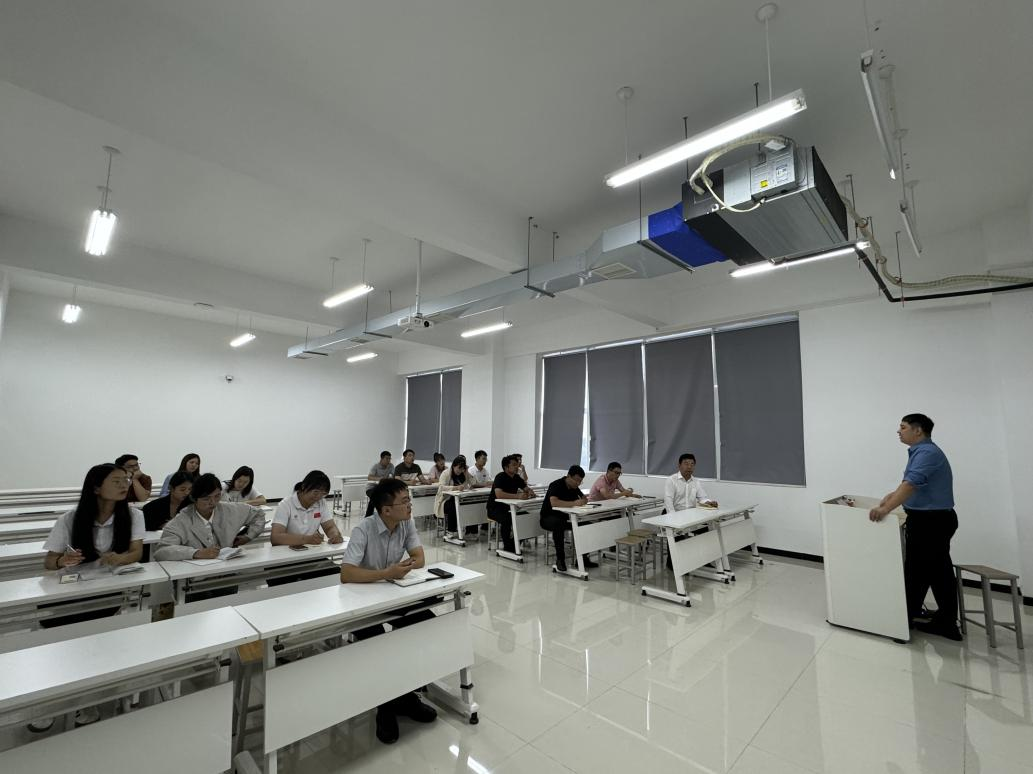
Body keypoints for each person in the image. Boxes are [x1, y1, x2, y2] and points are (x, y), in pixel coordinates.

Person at [35, 462, 146, 730]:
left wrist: (119, 558)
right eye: (117, 481)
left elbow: (136, 553)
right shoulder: (70, 519)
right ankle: (48, 701)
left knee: (95, 647)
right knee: (61, 647)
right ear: (96, 488)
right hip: (70, 592)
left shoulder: (133, 515)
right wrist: (63, 560)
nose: (124, 485)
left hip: (107, 592)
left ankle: (87, 701)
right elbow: (49, 562)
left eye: (126, 480)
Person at [339, 479, 437, 744]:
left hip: (394, 595)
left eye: (409, 500)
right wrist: (386, 573)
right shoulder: (363, 529)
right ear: (386, 510)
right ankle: (387, 706)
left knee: (426, 625)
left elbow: (419, 558)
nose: (410, 506)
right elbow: (346, 574)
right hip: (361, 603)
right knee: (380, 644)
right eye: (404, 502)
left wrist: (402, 569)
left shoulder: (406, 523)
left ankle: (405, 694)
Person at [869, 413, 962, 641]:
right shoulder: (920, 452)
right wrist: (892, 495)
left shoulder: (927, 453)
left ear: (918, 430)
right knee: (928, 571)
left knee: (925, 572)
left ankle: (932, 621)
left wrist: (885, 508)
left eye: (903, 427)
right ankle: (924, 616)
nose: (898, 431)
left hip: (932, 522)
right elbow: (909, 483)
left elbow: (911, 484)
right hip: (930, 521)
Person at [153, 473, 266, 561]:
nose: (213, 502)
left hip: (228, 569)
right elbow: (161, 551)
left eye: (217, 496)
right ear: (194, 498)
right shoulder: (181, 520)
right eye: (206, 498)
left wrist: (248, 536)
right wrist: (196, 553)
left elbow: (258, 514)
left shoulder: (229, 509)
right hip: (197, 577)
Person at [268, 470, 343, 584]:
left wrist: (335, 535)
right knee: (283, 583)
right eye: (316, 492)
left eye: (323, 494)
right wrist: (307, 539)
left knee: (336, 574)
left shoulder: (321, 503)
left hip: (311, 556)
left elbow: (329, 527)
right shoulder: (286, 504)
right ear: (304, 487)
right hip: (286, 559)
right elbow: (276, 538)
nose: (318, 497)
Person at [540, 465, 591, 573]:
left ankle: (583, 558)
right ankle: (560, 559)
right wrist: (575, 503)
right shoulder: (556, 484)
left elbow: (584, 498)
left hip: (566, 518)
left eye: (580, 481)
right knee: (558, 524)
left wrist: (583, 501)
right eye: (576, 480)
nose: (577, 483)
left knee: (586, 524)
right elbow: (554, 502)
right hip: (548, 518)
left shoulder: (574, 487)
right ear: (568, 476)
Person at [487, 454, 534, 554]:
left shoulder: (516, 477)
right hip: (495, 509)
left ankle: (514, 544)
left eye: (517, 464)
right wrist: (518, 496)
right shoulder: (500, 477)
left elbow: (526, 488)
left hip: (509, 507)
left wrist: (530, 492)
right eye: (514, 465)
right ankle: (507, 546)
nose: (517, 467)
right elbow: (499, 494)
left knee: (525, 517)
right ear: (506, 467)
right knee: (507, 519)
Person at [434, 455, 470, 536]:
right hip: (445, 500)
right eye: (459, 468)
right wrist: (455, 488)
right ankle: (451, 531)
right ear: (454, 466)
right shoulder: (446, 473)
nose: (460, 471)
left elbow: (472, 483)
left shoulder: (463, 474)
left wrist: (466, 472)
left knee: (469, 505)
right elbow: (441, 487)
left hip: (459, 498)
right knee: (453, 505)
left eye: (462, 469)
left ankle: (470, 531)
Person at [365, 450, 394, 517]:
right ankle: (368, 515)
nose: (388, 461)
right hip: (371, 488)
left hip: (382, 488)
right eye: (387, 458)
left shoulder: (391, 466)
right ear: (381, 459)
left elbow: (394, 475)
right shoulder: (375, 466)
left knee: (391, 496)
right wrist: (380, 479)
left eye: (390, 459)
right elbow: (369, 477)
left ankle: (387, 514)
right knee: (375, 496)